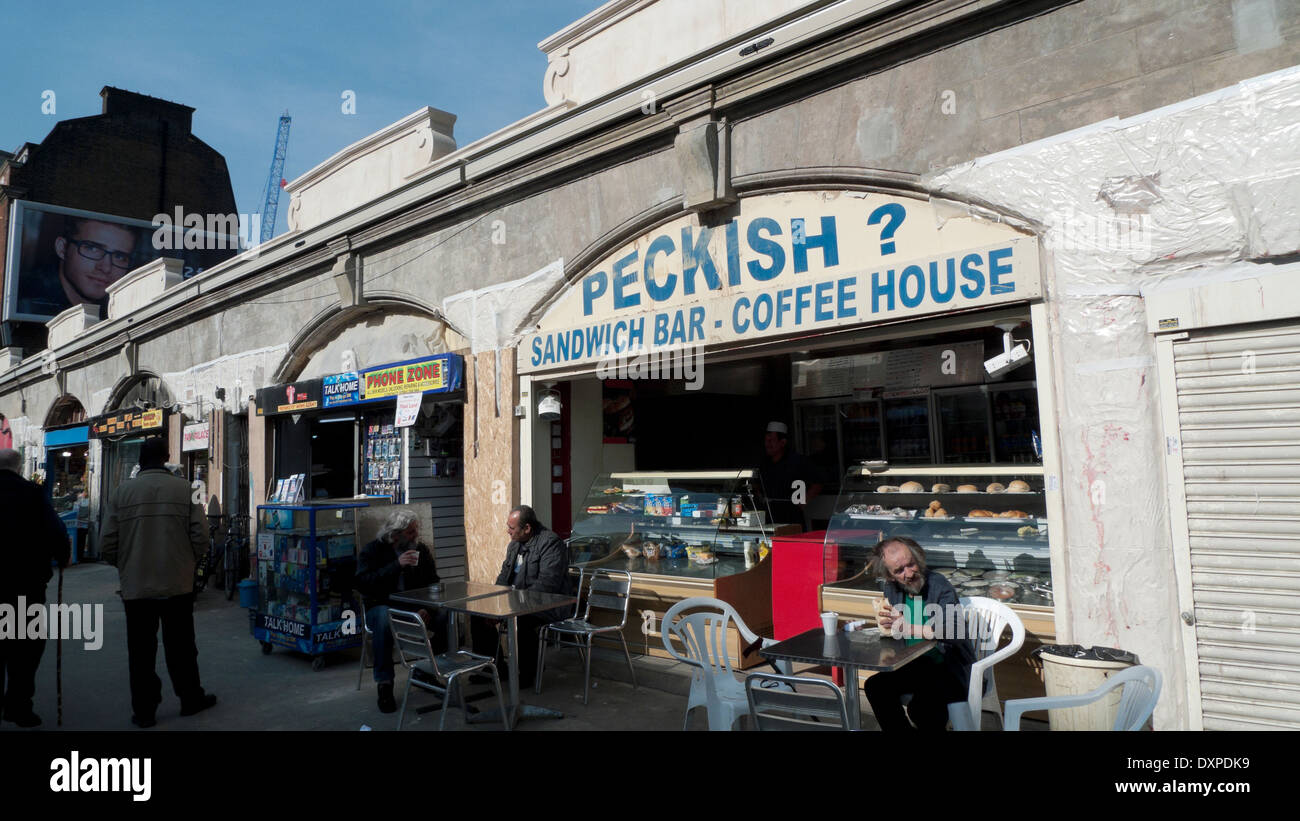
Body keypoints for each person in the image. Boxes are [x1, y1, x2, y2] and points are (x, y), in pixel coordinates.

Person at [100, 437, 215, 728]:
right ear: (166, 457)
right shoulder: (187, 489)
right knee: (182, 648)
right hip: (177, 584)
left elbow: (107, 544)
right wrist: (187, 564)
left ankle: (145, 711)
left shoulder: (121, 492)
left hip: (137, 588)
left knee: (141, 652)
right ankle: (191, 699)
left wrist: (127, 566)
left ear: (140, 460)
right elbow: (202, 537)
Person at [864, 537, 974, 731]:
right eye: (899, 570)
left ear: (918, 559)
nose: (909, 573)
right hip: (915, 663)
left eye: (911, 564)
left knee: (923, 708)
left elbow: (955, 631)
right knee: (875, 687)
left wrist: (909, 628)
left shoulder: (938, 584)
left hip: (947, 665)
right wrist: (889, 626)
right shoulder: (892, 588)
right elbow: (899, 632)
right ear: (889, 575)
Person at [0, 448, 70, 727]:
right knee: (25, 650)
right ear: (18, 467)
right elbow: (54, 529)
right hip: (25, 587)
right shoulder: (31, 493)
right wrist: (63, 555)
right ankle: (18, 706)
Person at [354, 509, 441, 713]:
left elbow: (433, 583)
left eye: (415, 531)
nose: (415, 536)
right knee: (385, 619)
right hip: (380, 605)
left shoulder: (421, 551)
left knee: (447, 615)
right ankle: (385, 685)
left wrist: (426, 607)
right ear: (395, 534)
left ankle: (426, 669)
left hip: (412, 607)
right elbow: (363, 584)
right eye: (410, 532)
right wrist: (396, 565)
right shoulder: (372, 551)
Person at [471, 505, 569, 684]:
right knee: (478, 615)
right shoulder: (514, 545)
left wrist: (515, 605)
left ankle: (528, 674)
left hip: (549, 604)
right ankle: (493, 668)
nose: (507, 531)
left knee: (523, 619)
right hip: (516, 602)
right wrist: (494, 603)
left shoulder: (551, 544)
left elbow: (548, 584)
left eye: (511, 528)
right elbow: (503, 576)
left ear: (527, 528)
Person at [17, 217, 137, 317]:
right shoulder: (23, 303)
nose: (106, 268)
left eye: (120, 257)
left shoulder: (125, 310)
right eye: (93, 248)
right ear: (62, 248)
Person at [757, 421, 823, 530]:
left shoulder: (797, 461)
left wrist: (804, 501)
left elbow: (818, 482)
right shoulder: (764, 463)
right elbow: (756, 484)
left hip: (792, 517)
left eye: (771, 440)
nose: (767, 444)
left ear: (782, 442)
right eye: (766, 440)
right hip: (769, 518)